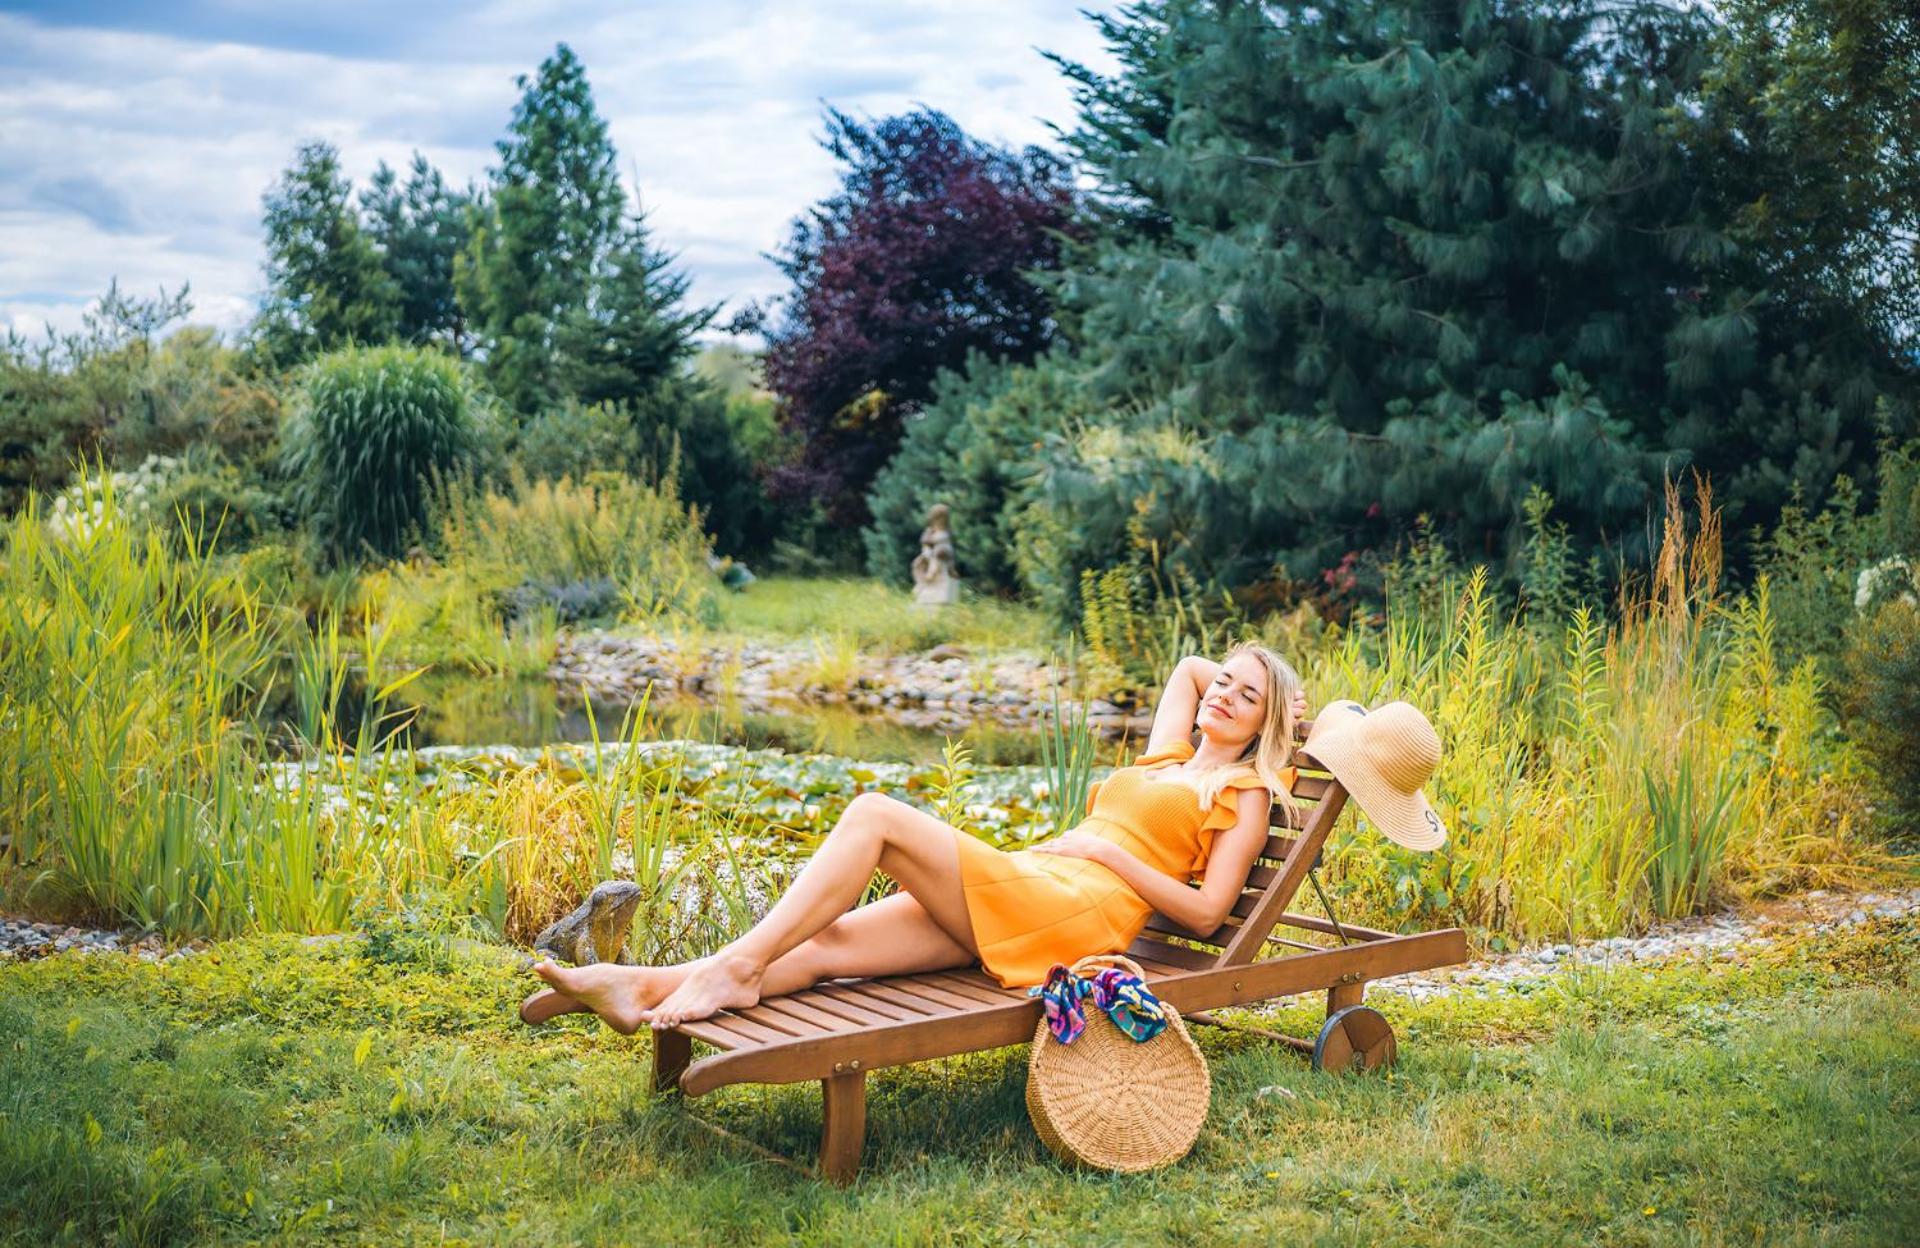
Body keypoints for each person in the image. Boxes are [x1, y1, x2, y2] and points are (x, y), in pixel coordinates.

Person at [519, 645, 1307, 1032]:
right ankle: (638, 987)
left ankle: (735, 966)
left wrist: (1106, 852)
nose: (1222, 695)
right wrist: (1257, 676)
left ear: (1264, 723)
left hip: (1075, 911)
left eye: (1247, 698)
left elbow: (1207, 914)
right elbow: (1188, 668)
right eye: (1226, 683)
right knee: (825, 945)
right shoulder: (1169, 758)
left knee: (874, 814)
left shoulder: (1241, 792)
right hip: (1038, 884)